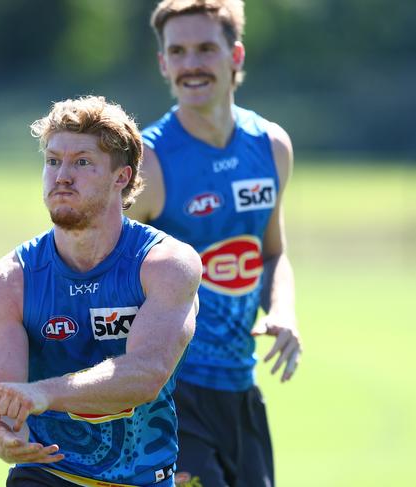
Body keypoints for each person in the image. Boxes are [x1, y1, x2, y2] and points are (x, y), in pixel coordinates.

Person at [0, 95, 203, 487]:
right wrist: (1, 438)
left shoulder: (165, 265)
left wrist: (43, 394)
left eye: (81, 162)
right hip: (46, 474)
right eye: (52, 161)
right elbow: (1, 408)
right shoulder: (7, 282)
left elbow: (144, 376)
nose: (61, 175)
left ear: (122, 177)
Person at [126, 1, 302, 486]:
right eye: (177, 51)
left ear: (236, 55)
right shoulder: (147, 164)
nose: (191, 64)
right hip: (174, 400)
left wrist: (283, 310)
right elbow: (97, 274)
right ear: (163, 63)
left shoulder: (271, 146)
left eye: (205, 48)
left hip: (242, 392)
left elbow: (272, 252)